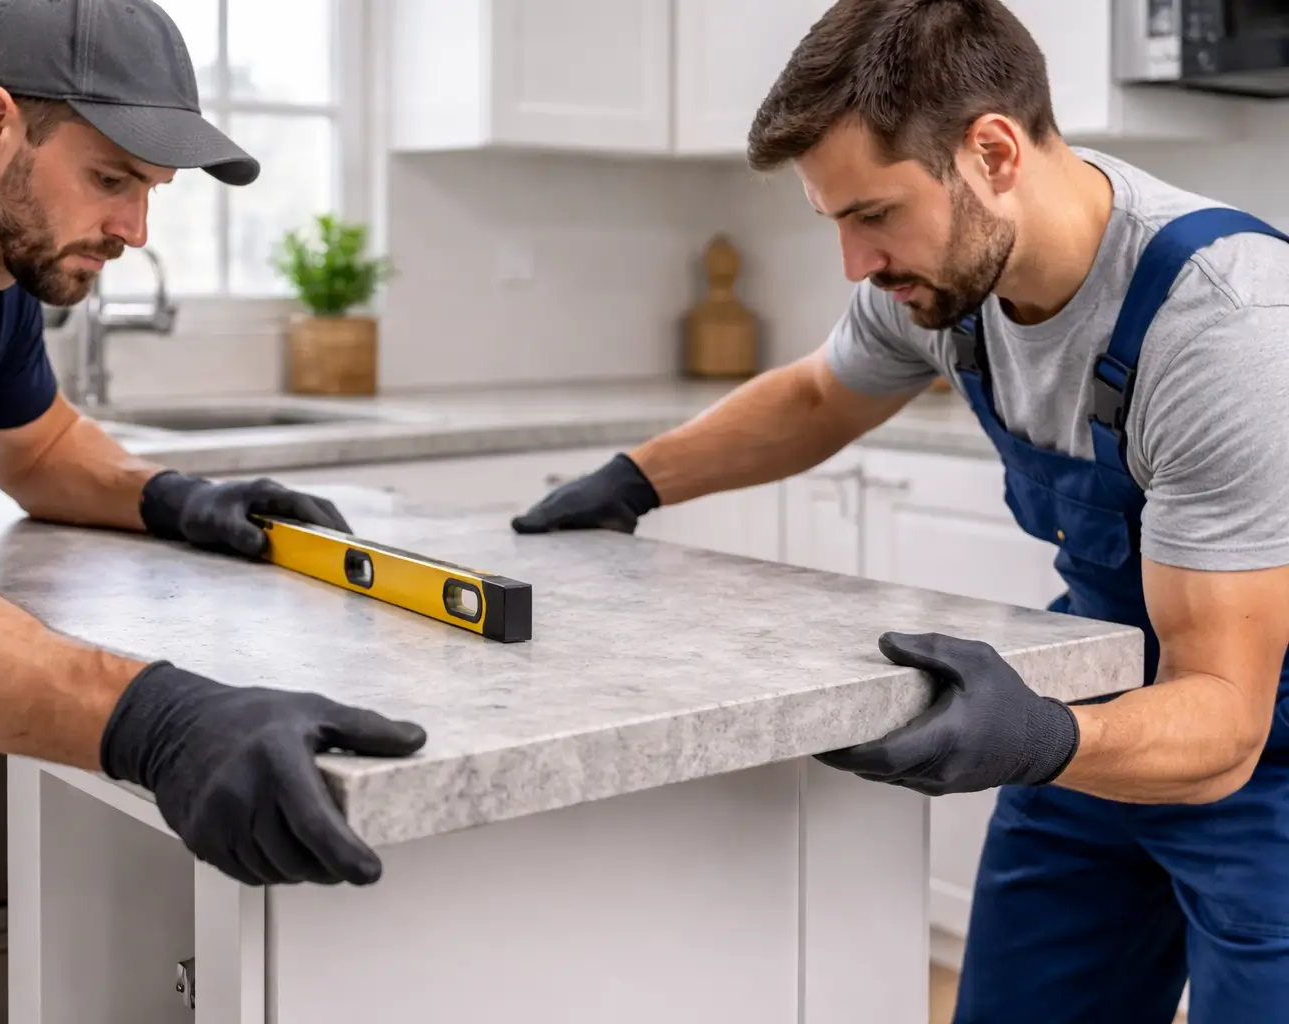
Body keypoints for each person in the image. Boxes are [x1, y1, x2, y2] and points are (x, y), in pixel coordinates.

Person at [513, 1, 1289, 1020]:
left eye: (872, 215)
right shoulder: (944, 286)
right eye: (836, 222)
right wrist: (633, 479)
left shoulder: (1223, 332)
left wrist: (1043, 735)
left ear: (993, 151)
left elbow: (1227, 719)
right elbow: (819, 396)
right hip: (1109, 701)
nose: (856, 264)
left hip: (1256, 750)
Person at [0, 0, 427, 1015]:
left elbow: (46, 450)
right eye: (112, 179)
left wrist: (181, 498)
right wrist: (159, 720)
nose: (134, 229)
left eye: (149, 191)